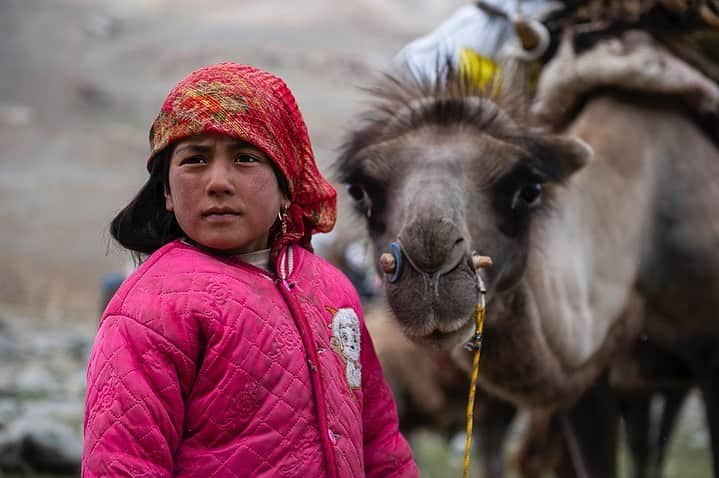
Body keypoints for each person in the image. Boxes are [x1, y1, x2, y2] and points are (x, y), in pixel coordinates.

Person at [82, 62, 418, 477]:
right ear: (167, 191)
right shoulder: (149, 311)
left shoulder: (333, 291)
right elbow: (122, 464)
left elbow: (380, 445)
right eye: (195, 160)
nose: (218, 181)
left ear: (286, 186)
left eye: (245, 158)